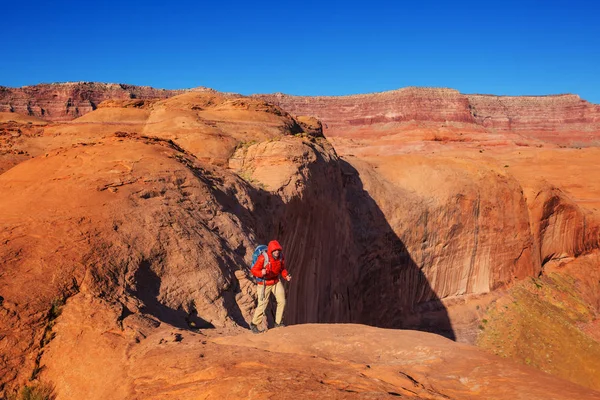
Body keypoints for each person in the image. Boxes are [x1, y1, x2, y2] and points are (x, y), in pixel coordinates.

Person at [250, 240, 292, 333]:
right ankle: (254, 324)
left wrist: (286, 275)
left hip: (276, 281)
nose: (277, 252)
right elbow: (253, 270)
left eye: (278, 250)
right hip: (264, 283)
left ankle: (278, 323)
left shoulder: (280, 257)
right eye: (275, 250)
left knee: (282, 301)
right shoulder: (263, 258)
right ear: (271, 251)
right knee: (263, 304)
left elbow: (282, 269)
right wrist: (261, 273)